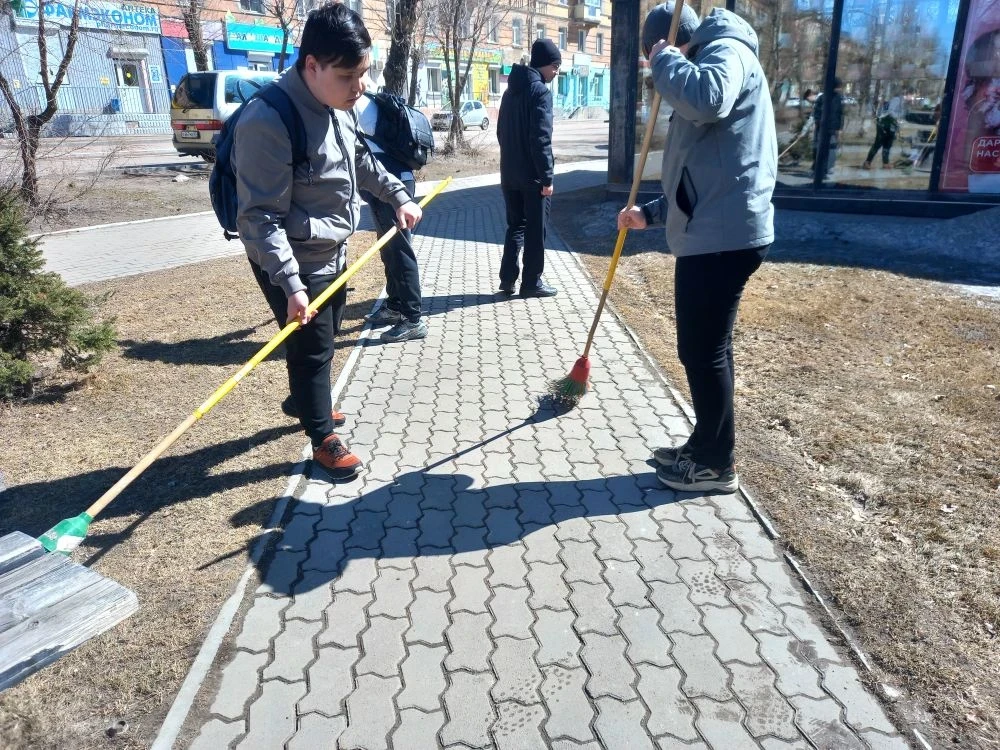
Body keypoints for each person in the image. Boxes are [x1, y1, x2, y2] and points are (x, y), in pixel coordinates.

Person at [233, 2, 422, 479]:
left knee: (326, 332)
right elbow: (259, 217)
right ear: (312, 65)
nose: (360, 88)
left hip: (331, 248)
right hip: (291, 257)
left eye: (364, 73)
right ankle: (322, 438)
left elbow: (361, 160)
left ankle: (305, 398)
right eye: (348, 76)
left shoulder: (337, 106)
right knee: (314, 346)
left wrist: (398, 195)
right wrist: (292, 285)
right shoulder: (268, 121)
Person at [618, 4, 776, 493]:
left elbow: (708, 101)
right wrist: (651, 212)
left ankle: (715, 465)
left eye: (654, 55)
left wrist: (664, 59)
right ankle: (706, 444)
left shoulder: (725, 52)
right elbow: (703, 171)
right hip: (714, 229)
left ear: (671, 42)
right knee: (708, 350)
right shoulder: (707, 61)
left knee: (702, 351)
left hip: (722, 237)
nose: (657, 69)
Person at [355, 90, 428, 343]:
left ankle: (412, 319)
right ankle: (395, 304)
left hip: (393, 185)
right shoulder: (363, 101)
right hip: (387, 185)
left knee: (399, 251)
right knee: (389, 249)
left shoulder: (350, 103)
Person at [496, 38, 561, 298]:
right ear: (544, 64)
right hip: (533, 178)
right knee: (535, 230)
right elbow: (541, 139)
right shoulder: (540, 93)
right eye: (555, 66)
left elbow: (501, 133)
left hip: (509, 175)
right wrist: (547, 178)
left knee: (516, 226)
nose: (556, 72)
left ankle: (507, 279)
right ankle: (532, 282)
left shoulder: (509, 92)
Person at [863, 92, 905, 169]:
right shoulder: (897, 100)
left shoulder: (902, 102)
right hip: (884, 124)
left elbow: (899, 114)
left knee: (888, 144)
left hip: (891, 125)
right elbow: (891, 111)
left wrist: (898, 124)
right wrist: (897, 119)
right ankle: (867, 162)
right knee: (878, 144)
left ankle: (885, 163)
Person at [812, 77, 844, 178]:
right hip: (822, 129)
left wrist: (839, 128)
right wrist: (818, 123)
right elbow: (816, 113)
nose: (839, 89)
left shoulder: (838, 98)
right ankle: (818, 169)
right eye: (838, 87)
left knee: (830, 150)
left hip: (833, 129)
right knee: (820, 149)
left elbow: (840, 114)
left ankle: (825, 169)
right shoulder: (822, 98)